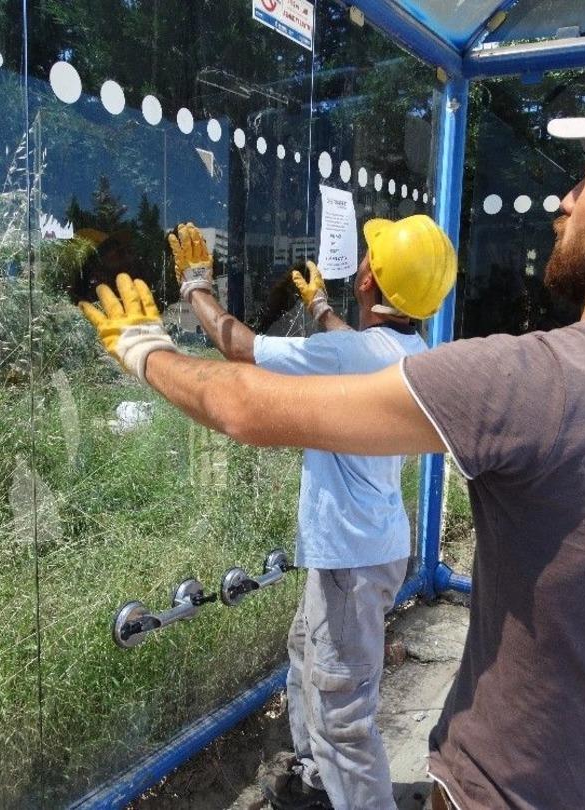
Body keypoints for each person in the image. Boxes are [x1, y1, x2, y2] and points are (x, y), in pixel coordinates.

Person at [79, 71, 585, 809]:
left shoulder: (538, 382)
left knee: (339, 698)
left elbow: (246, 405)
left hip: (493, 796)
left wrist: (147, 346)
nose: (566, 199)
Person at [164, 216, 456, 810]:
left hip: (351, 561)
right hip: (366, 550)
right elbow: (354, 343)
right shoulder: (410, 351)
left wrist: (196, 285)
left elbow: (238, 347)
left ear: (370, 276)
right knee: (306, 654)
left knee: (343, 716)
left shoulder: (350, 352)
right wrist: (320, 304)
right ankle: (316, 783)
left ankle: (349, 795)